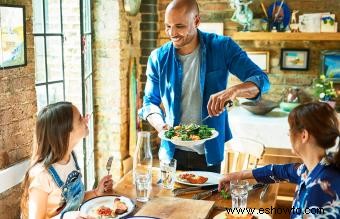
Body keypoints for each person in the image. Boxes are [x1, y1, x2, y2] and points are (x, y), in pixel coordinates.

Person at [138, 0, 270, 173]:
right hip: (170, 153)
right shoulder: (158, 58)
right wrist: (160, 125)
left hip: (209, 154)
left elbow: (262, 80)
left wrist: (234, 91)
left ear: (197, 21)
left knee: (208, 200)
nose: (172, 33)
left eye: (179, 26)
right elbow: (149, 102)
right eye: (168, 26)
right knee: (170, 200)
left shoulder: (223, 47)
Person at [218, 102, 340, 218]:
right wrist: (238, 175)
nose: (288, 134)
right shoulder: (314, 168)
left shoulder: (320, 188)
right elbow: (279, 171)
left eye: (291, 129)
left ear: (304, 135)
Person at [21, 102, 113, 219]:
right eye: (80, 119)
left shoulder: (71, 158)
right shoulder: (42, 175)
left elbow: (72, 201)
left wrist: (96, 192)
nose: (86, 119)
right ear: (65, 134)